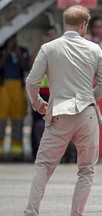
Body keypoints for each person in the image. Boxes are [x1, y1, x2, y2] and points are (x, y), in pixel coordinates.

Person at [24, 5, 102, 215]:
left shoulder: (49, 48)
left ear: (66, 23)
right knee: (86, 170)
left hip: (59, 114)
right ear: (84, 24)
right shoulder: (94, 48)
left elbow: (31, 82)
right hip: (87, 115)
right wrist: (90, 98)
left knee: (44, 165)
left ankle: (31, 212)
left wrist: (38, 103)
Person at [29, 26, 59, 161]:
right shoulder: (42, 49)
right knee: (37, 122)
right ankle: (36, 152)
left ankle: (54, 154)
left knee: (55, 123)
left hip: (56, 92)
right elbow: (31, 63)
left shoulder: (60, 49)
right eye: (48, 35)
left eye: (53, 35)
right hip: (40, 93)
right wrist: (42, 43)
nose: (50, 38)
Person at [0, 34, 30, 160]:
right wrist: (6, 53)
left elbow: (27, 68)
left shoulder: (23, 51)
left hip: (18, 85)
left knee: (18, 119)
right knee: (1, 119)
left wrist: (18, 54)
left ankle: (16, 152)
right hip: (3, 85)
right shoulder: (1, 50)